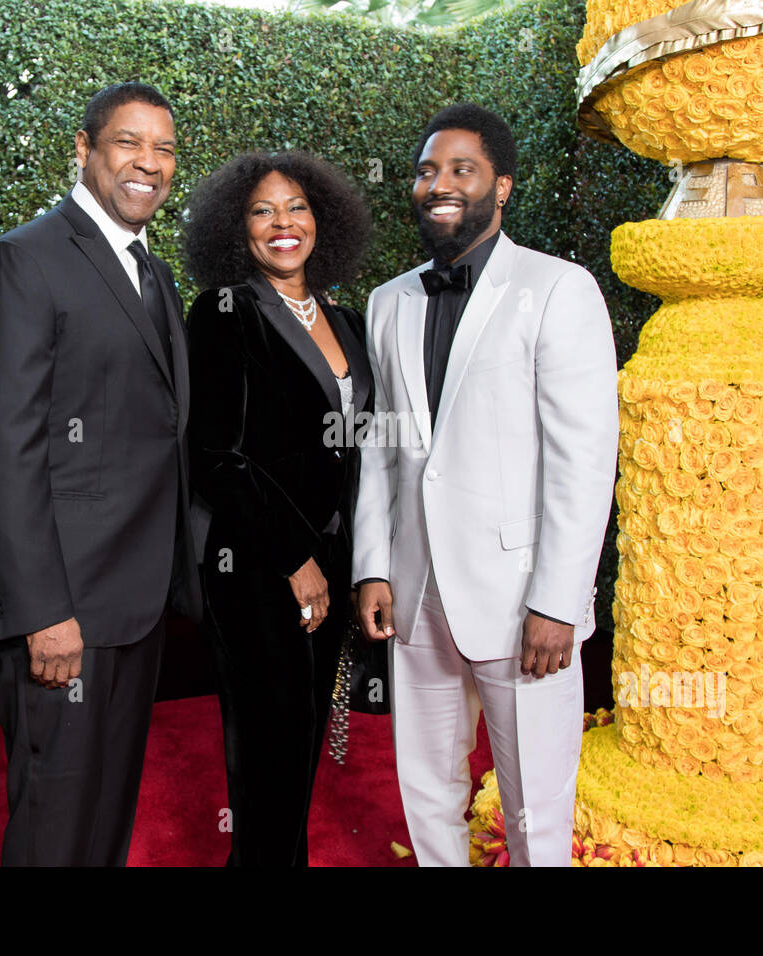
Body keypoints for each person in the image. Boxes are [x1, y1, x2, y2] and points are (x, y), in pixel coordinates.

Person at [352, 103, 619, 866]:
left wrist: (558, 601)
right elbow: (382, 445)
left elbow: (583, 459)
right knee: (427, 789)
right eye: (428, 170)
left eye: (461, 169)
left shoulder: (559, 289)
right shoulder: (388, 301)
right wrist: (374, 563)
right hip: (415, 591)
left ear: (501, 187)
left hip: (520, 599)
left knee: (536, 803)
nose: (440, 184)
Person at [0, 82, 200, 866]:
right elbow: (0, 449)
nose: (149, 164)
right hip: (64, 612)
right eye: (129, 143)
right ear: (84, 149)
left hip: (136, 602)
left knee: (106, 813)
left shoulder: (153, 274)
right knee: (55, 822)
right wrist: (40, 612)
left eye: (164, 150)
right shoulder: (22, 260)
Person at [182, 151, 373, 867]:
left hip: (331, 564)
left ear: (324, 218)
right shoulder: (226, 312)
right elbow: (215, 456)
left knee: (298, 759)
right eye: (262, 211)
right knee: (266, 765)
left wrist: (352, 563)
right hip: (258, 572)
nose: (282, 223)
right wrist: (296, 560)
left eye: (296, 206)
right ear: (239, 229)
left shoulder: (345, 318)